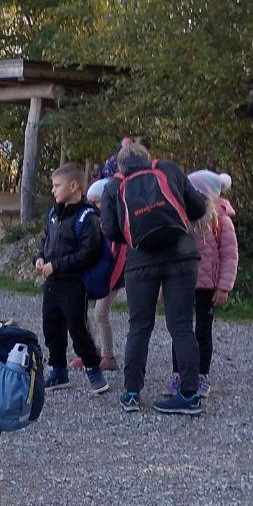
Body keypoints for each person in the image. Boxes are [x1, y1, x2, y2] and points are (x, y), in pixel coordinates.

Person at [100, 141, 208, 414]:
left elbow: (110, 230)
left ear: (120, 165)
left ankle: (131, 393)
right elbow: (197, 208)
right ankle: (190, 394)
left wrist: (136, 236)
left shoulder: (114, 185)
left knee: (139, 327)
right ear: (148, 157)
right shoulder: (168, 168)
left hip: (140, 261)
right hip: (181, 255)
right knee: (181, 325)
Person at [35, 163, 109, 395]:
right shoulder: (53, 214)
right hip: (52, 283)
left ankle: (93, 368)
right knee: (51, 327)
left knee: (78, 329)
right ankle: (58, 370)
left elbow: (88, 252)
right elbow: (45, 239)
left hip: (73, 283)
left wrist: (57, 265)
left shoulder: (88, 216)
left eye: (57, 186)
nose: (53, 190)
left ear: (74, 186)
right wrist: (40, 257)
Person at [162, 170, 237, 398]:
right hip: (181, 282)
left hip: (207, 286)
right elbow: (169, 252)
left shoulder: (221, 221)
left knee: (203, 331)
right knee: (180, 330)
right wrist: (163, 285)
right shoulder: (180, 218)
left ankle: (202, 374)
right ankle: (179, 373)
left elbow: (229, 256)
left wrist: (224, 286)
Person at [74, 178, 127, 371]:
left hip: (111, 278)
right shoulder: (94, 221)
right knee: (81, 312)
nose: (94, 206)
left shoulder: (115, 224)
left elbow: (120, 258)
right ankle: (89, 351)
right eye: (93, 202)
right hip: (95, 276)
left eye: (98, 202)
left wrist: (109, 282)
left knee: (100, 313)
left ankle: (108, 355)